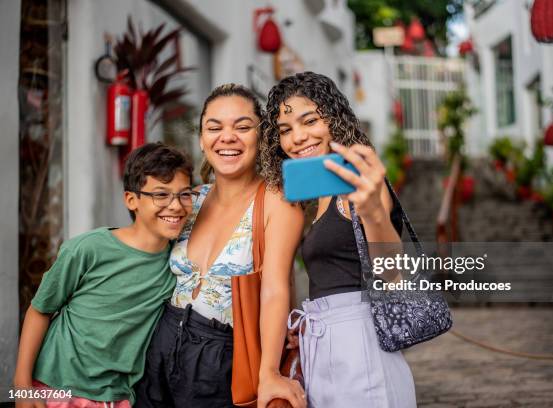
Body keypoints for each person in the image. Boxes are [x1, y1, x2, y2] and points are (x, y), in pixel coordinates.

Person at [135, 84, 306, 408]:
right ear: (202, 138)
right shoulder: (189, 199)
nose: (227, 137)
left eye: (242, 127)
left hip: (223, 360)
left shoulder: (277, 201)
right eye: (214, 128)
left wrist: (268, 372)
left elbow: (274, 289)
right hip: (159, 351)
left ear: (262, 136)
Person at [261, 71, 417, 408]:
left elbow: (391, 272)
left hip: (362, 348)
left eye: (309, 121)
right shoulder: (318, 196)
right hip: (323, 344)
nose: (297, 137)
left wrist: (374, 213)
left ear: (334, 121)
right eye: (285, 130)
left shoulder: (359, 181)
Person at [13, 142, 195, 408]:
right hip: (54, 388)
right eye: (161, 194)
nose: (176, 206)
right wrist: (22, 388)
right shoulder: (88, 249)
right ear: (131, 199)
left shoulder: (177, 264)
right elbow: (40, 310)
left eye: (184, 194)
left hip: (116, 398)